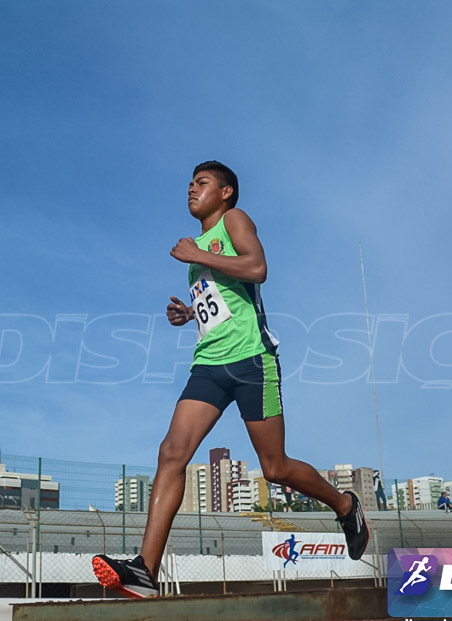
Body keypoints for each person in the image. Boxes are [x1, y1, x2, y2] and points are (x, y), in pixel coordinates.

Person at [92, 161, 369, 598]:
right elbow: (221, 298)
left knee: (274, 468)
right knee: (172, 452)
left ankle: (345, 505)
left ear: (225, 193)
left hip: (252, 361)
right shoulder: (199, 248)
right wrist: (188, 313)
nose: (191, 188)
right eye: (189, 182)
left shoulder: (234, 220)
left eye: (201, 183)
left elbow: (256, 268)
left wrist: (198, 255)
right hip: (208, 363)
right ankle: (146, 569)